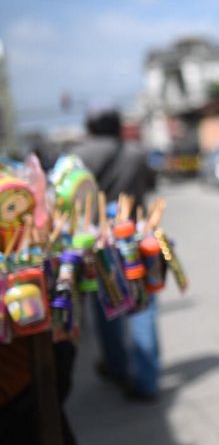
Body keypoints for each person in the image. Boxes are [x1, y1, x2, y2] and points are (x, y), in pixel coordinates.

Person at [76, 107, 161, 401]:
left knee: (107, 307)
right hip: (136, 233)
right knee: (143, 305)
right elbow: (151, 183)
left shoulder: (80, 157)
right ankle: (147, 379)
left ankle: (118, 368)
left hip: (100, 237)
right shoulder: (135, 153)